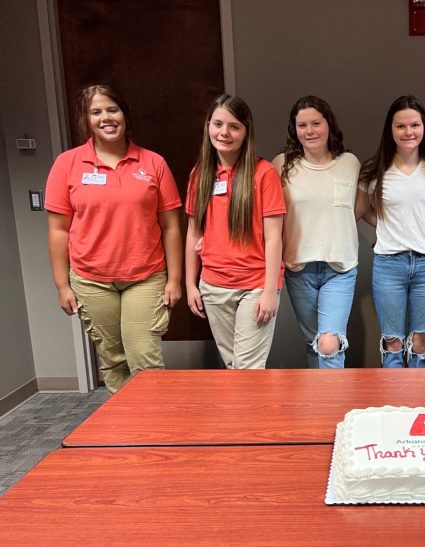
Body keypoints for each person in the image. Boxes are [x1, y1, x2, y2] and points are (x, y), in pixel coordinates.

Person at [46, 84, 182, 393]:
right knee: (113, 360)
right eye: (96, 112)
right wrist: (61, 285)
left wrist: (174, 279)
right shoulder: (67, 165)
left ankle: (153, 430)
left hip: (145, 276)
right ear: (86, 120)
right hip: (91, 278)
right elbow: (58, 230)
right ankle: (126, 432)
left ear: (124, 115)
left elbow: (171, 226)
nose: (106, 118)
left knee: (144, 359)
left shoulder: (153, 163)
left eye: (112, 109)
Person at [185, 94, 285, 369]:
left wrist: (269, 291)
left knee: (248, 370)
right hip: (214, 285)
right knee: (234, 368)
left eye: (234, 126)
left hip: (253, 286)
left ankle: (251, 413)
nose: (224, 133)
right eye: (218, 124)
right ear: (208, 126)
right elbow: (193, 233)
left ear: (246, 131)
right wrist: (190, 283)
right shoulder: (200, 175)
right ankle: (246, 413)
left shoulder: (263, 173)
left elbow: (274, 237)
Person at [272, 96, 362, 369]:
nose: (309, 131)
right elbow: (269, 215)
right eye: (302, 125)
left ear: (328, 125)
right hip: (299, 268)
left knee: (329, 343)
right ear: (294, 129)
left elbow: (356, 208)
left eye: (316, 123)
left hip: (340, 267)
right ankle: (320, 406)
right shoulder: (282, 164)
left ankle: (332, 410)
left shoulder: (349, 162)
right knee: (315, 343)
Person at [358, 95, 425, 368]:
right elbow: (362, 211)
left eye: (415, 125)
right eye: (401, 126)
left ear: (424, 128)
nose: (409, 132)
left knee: (421, 341)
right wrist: (387, 227)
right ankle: (395, 406)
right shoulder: (374, 169)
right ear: (390, 130)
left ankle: (419, 405)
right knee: (392, 341)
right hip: (389, 265)